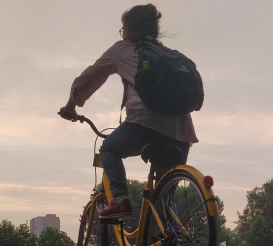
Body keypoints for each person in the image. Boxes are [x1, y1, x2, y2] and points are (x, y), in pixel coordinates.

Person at [58, 4, 198, 220]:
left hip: (144, 123)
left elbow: (86, 81)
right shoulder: (169, 55)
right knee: (164, 199)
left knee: (109, 150)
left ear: (129, 30)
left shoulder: (122, 49)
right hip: (182, 132)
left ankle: (121, 199)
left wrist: (71, 106)